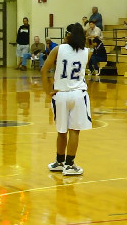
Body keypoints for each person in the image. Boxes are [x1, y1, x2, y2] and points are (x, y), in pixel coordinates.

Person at [43, 23, 91, 176]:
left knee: (61, 131)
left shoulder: (58, 49)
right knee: (74, 131)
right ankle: (70, 165)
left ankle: (59, 161)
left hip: (61, 94)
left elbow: (44, 70)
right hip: (78, 94)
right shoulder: (87, 52)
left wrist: (47, 91)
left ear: (68, 35)